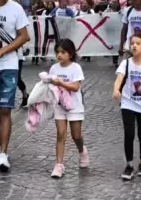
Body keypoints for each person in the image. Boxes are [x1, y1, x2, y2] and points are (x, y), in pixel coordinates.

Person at [0, 0, 30, 172]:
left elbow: (24, 36)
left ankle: (4, 152)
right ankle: (0, 146)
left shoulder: (16, 8)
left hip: (9, 64)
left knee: (5, 109)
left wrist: (2, 51)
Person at [113, 34, 141, 180]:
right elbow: (119, 78)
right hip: (128, 102)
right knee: (129, 133)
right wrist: (116, 90)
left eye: (138, 43)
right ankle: (129, 165)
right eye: (132, 43)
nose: (134, 46)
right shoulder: (125, 63)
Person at [49, 39, 88, 178]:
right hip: (59, 106)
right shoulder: (54, 68)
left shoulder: (76, 68)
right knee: (60, 134)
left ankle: (82, 150)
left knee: (76, 135)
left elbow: (76, 87)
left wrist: (61, 82)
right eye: (57, 52)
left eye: (63, 52)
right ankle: (59, 165)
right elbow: (51, 85)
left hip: (74, 106)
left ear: (70, 54)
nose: (59, 55)